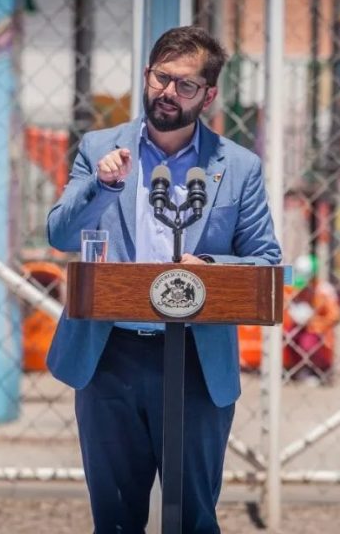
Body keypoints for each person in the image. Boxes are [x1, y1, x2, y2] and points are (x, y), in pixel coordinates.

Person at [45, 26, 281, 533]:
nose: (168, 93)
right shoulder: (99, 147)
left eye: (186, 85)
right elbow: (61, 233)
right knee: (113, 521)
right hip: (110, 355)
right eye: (160, 78)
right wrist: (102, 186)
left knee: (192, 518)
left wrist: (212, 271)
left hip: (196, 359)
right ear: (147, 75)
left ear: (209, 95)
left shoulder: (237, 167)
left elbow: (265, 263)